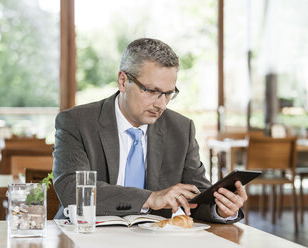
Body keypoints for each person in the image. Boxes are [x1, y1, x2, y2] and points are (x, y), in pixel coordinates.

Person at [53, 38, 247, 223]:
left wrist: (221, 208)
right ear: (123, 81)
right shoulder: (76, 122)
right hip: (86, 236)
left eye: (168, 93)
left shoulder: (181, 129)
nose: (161, 104)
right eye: (152, 91)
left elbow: (198, 196)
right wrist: (150, 198)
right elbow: (73, 191)